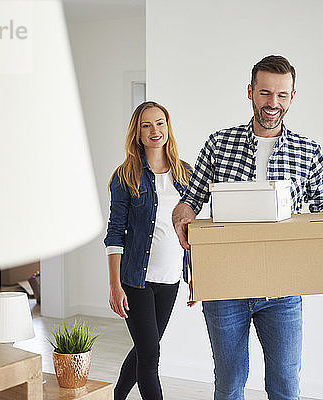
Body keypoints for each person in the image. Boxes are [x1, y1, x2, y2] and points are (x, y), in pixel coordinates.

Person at [172, 55, 323, 400]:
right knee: (230, 383)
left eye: (282, 95)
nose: (272, 103)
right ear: (250, 92)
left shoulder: (308, 151)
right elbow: (189, 201)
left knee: (285, 386)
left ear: (292, 96)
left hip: (282, 290)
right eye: (265, 93)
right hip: (225, 290)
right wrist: (182, 219)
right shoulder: (219, 143)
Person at [104, 101, 191, 400]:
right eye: (146, 125)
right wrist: (115, 286)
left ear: (168, 128)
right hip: (135, 280)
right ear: (137, 134)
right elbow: (115, 233)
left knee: (144, 349)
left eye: (160, 123)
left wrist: (197, 280)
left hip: (170, 281)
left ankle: (116, 395)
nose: (155, 130)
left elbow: (196, 233)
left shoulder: (186, 175)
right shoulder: (126, 175)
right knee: (151, 355)